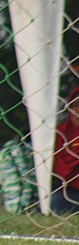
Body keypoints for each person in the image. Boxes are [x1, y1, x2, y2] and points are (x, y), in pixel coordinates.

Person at [51, 85, 79, 214]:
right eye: (75, 106)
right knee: (54, 203)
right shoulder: (59, 133)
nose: (78, 111)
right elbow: (58, 169)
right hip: (67, 191)